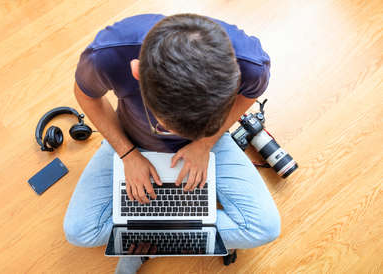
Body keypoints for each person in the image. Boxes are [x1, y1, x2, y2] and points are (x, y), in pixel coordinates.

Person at [63, 13, 280, 273]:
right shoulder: (106, 55)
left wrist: (203, 143)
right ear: (136, 71)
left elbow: (250, 95)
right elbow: (85, 96)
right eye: (165, 126)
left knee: (265, 228)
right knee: (78, 232)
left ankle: (145, 242)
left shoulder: (250, 64)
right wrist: (128, 154)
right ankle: (166, 236)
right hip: (130, 138)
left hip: (208, 143)